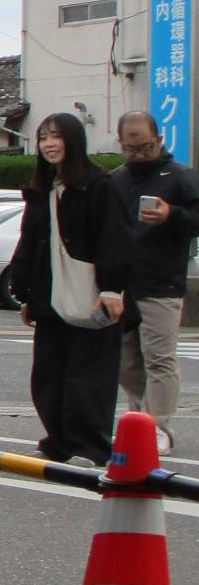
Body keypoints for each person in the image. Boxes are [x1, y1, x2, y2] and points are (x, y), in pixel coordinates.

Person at [9, 111, 130, 466]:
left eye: (57, 136)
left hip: (91, 295)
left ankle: (91, 443)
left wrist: (112, 289)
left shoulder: (99, 186)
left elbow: (115, 240)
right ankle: (59, 439)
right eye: (44, 137)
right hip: (48, 297)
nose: (49, 144)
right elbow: (29, 243)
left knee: (88, 375)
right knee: (48, 372)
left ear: (74, 140)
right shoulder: (42, 190)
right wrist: (24, 293)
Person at [108, 109, 198, 453]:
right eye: (131, 149)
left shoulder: (180, 177)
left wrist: (170, 214)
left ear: (159, 140)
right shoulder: (117, 179)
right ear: (120, 143)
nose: (138, 155)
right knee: (125, 359)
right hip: (124, 282)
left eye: (145, 147)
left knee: (159, 357)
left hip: (163, 281)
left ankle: (158, 426)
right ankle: (139, 419)